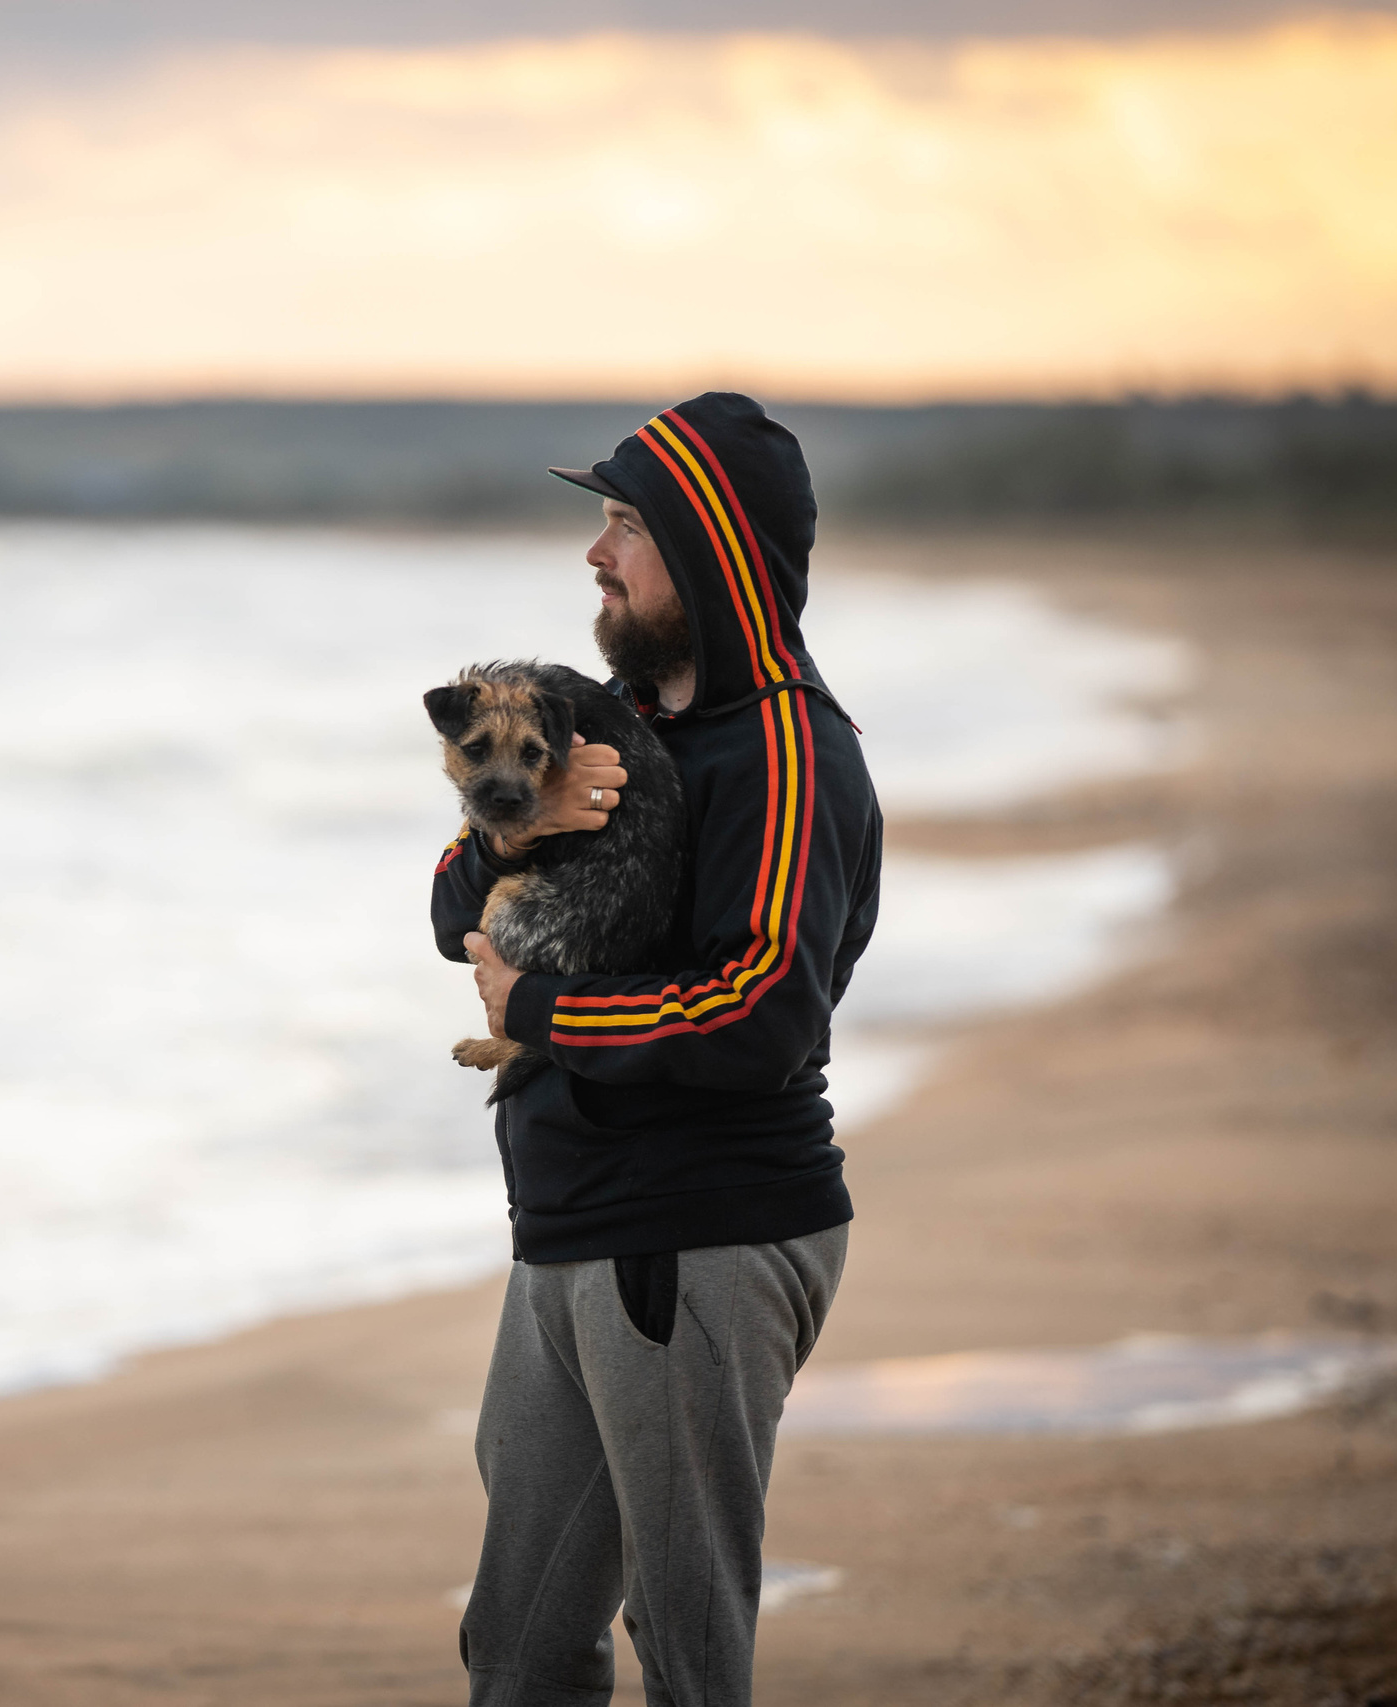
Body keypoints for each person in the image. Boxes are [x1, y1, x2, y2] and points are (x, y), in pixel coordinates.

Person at [434, 392, 882, 1707]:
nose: (596, 553)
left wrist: (536, 1015)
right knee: (513, 1650)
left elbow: (759, 1013)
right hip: (571, 1229)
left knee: (686, 1652)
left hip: (701, 1237)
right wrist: (520, 829)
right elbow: (455, 918)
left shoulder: (790, 751)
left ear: (711, 554)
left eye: (627, 524)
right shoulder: (603, 729)